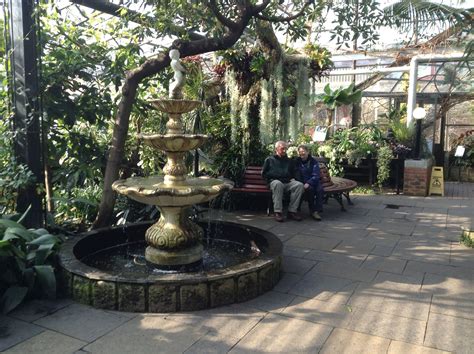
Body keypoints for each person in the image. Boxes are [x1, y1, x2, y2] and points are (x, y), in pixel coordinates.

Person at [262, 141, 304, 222]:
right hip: (275, 182)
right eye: (282, 149)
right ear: (276, 149)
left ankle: (292, 211)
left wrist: (296, 179)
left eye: (286, 149)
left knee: (299, 185)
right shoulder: (269, 160)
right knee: (278, 184)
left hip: (287, 182)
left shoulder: (289, 161)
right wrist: (271, 180)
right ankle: (278, 212)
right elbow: (264, 174)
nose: (284, 150)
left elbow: (295, 172)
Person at [296, 144, 324, 221]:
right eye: (300, 152)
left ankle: (316, 211)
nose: (302, 153)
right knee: (310, 190)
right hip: (302, 182)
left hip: (313, 181)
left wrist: (309, 182)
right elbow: (295, 173)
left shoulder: (313, 162)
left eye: (303, 151)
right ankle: (312, 210)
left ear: (308, 152)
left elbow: (316, 174)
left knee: (320, 190)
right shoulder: (296, 161)